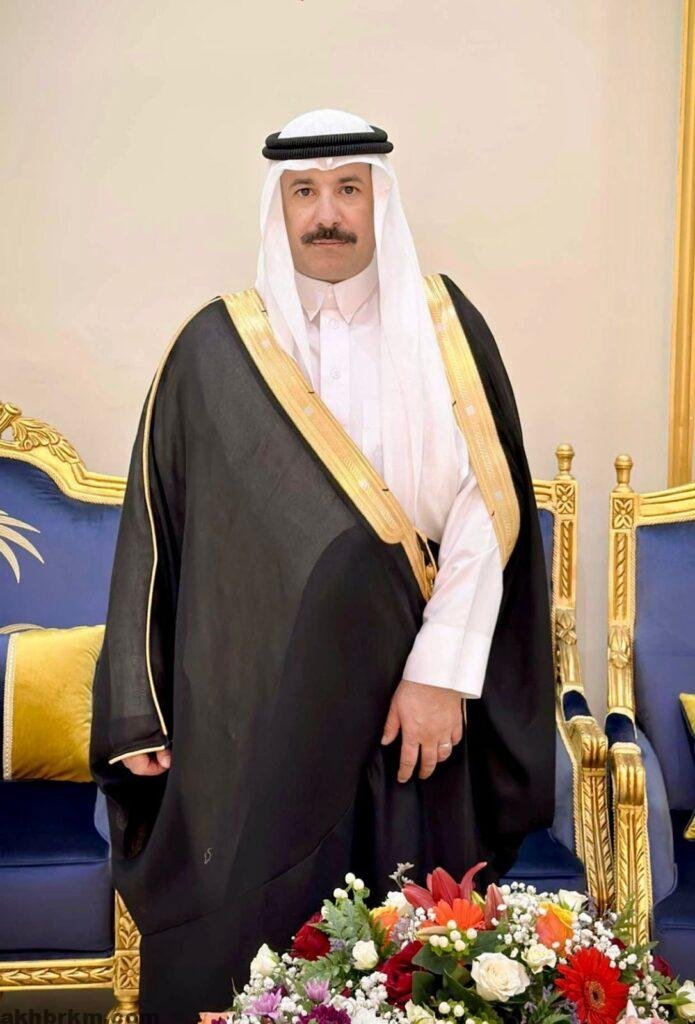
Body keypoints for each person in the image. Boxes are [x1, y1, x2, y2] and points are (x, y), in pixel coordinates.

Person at [89, 108, 555, 1022]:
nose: (326, 213)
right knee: (250, 940)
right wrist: (139, 705)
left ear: (382, 200)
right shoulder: (216, 346)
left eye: (348, 189)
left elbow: (484, 512)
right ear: (278, 205)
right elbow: (155, 525)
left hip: (409, 694)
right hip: (255, 709)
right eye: (303, 191)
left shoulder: (446, 327)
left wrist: (441, 672)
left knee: (406, 937)